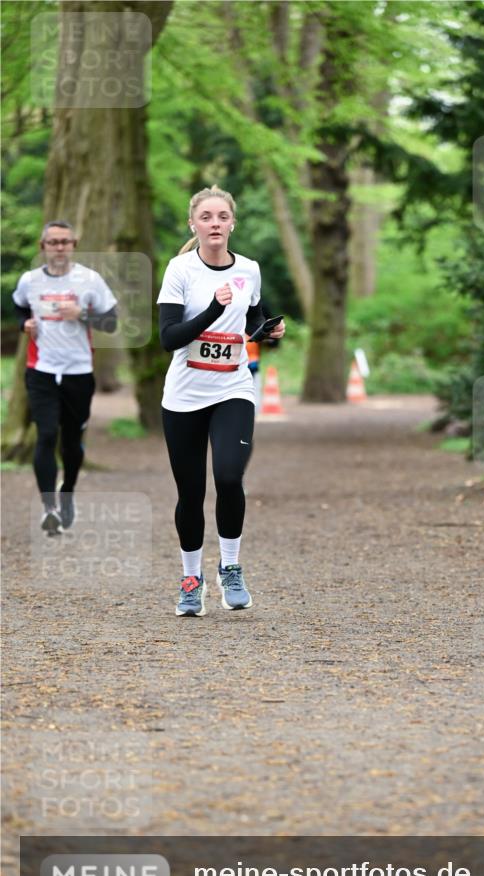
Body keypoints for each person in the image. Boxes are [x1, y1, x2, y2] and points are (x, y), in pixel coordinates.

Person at [157, 186, 285, 617]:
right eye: (206, 217)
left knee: (229, 477)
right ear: (194, 224)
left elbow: (251, 316)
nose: (215, 223)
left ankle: (230, 567)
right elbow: (169, 337)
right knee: (190, 493)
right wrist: (212, 309)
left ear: (232, 223)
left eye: (222, 216)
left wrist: (266, 329)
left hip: (232, 387)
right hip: (184, 394)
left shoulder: (248, 268)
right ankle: (191, 579)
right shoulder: (180, 270)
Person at [13, 221, 118, 534]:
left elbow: (111, 323)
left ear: (74, 244)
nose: (59, 247)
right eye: (53, 242)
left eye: (65, 242)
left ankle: (67, 491)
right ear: (42, 246)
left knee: (72, 444)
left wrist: (82, 315)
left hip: (78, 372)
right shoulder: (29, 281)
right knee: (46, 435)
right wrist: (25, 326)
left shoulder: (90, 280)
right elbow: (18, 306)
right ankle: (50, 510)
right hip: (42, 370)